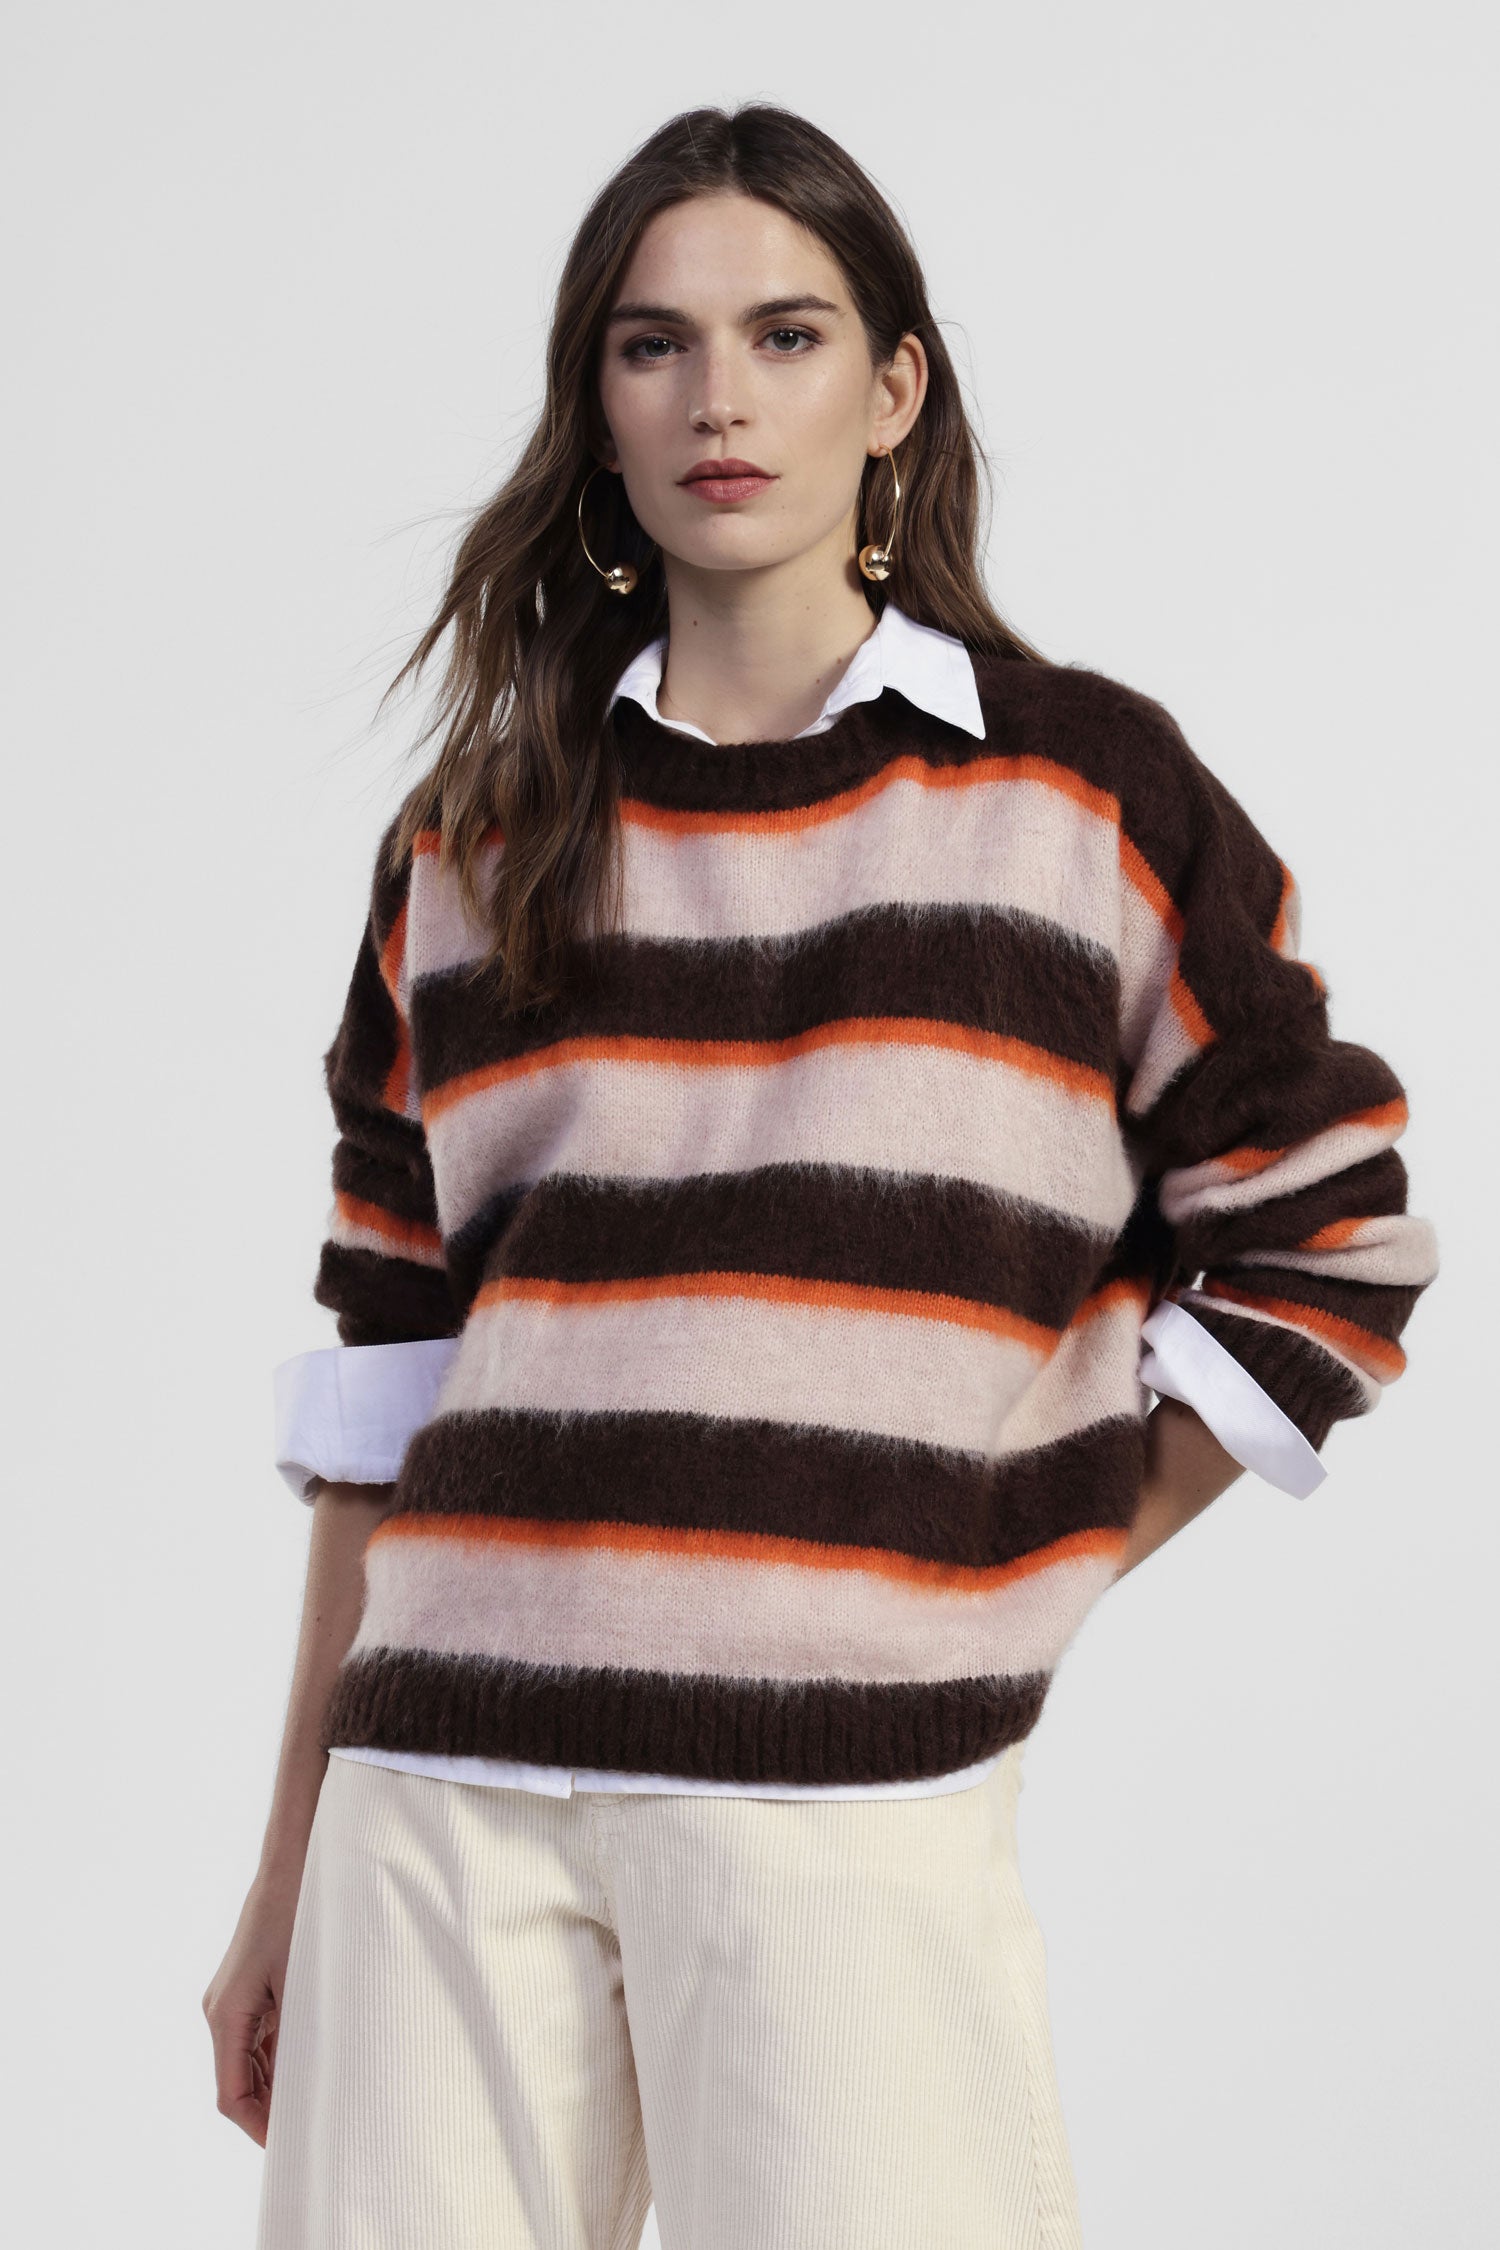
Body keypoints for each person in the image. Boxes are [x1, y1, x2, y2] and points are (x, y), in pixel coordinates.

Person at [202, 102, 1438, 2250]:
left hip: (844, 1794)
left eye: (786, 336)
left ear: (893, 390)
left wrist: (996, 1567)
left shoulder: (1080, 797)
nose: (720, 399)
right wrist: (285, 1866)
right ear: (597, 407)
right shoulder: (473, 846)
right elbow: (391, 1372)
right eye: (655, 345)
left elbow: (1329, 1229)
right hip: (440, 1797)